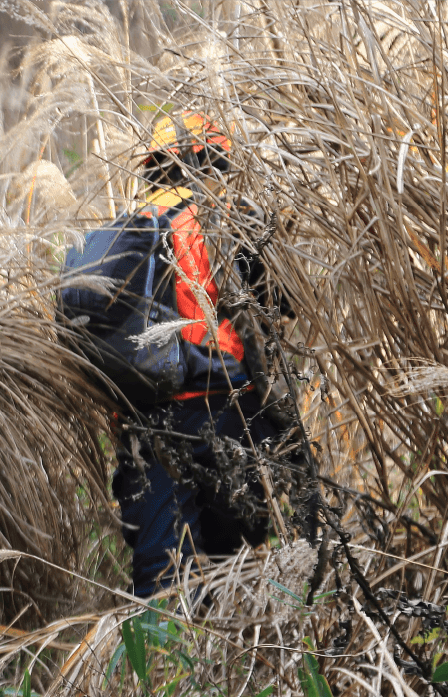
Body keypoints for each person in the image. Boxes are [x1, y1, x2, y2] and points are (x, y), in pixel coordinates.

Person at [61, 111, 295, 597]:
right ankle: (242, 662)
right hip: (229, 409)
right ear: (216, 160)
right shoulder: (231, 219)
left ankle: (169, 665)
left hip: (146, 423)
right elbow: (283, 303)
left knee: (163, 578)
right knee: (239, 566)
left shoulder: (121, 231)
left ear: (153, 168)